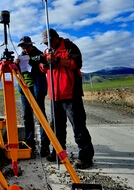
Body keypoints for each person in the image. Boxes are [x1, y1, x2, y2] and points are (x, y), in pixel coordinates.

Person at [39, 28, 94, 169]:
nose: (46, 46)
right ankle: (58, 151)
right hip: (55, 95)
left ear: (56, 38)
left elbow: (77, 63)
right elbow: (42, 68)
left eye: (48, 42)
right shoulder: (47, 52)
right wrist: (45, 64)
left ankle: (86, 156)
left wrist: (57, 60)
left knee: (78, 125)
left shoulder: (69, 47)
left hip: (71, 94)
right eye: (45, 43)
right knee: (57, 127)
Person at [15, 36, 50, 157]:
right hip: (25, 90)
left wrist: (34, 60)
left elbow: (44, 63)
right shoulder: (21, 57)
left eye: (26, 46)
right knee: (27, 116)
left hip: (37, 89)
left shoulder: (39, 54)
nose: (25, 49)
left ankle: (45, 145)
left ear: (31, 45)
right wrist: (16, 65)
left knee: (41, 116)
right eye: (23, 47)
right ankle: (30, 142)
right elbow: (18, 71)